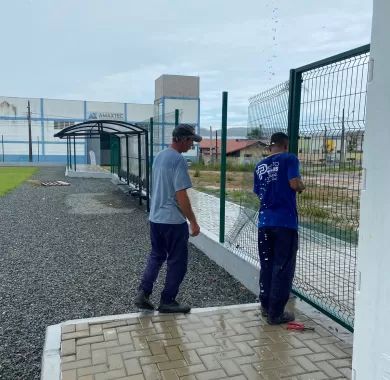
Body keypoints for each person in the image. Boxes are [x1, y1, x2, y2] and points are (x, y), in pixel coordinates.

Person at [134, 124, 201, 313]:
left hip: (155, 218)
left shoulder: (160, 156)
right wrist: (193, 222)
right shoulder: (178, 160)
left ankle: (143, 292)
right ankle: (168, 300)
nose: (191, 146)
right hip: (172, 221)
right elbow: (181, 195)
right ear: (182, 139)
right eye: (190, 141)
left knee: (156, 255)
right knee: (177, 262)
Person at [253, 132, 305, 325]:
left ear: (270, 147)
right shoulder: (289, 158)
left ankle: (266, 307)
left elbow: (259, 192)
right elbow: (294, 183)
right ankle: (276, 314)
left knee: (267, 264)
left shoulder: (260, 166)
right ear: (285, 145)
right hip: (285, 223)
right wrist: (301, 186)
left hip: (264, 222)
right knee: (282, 267)